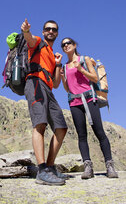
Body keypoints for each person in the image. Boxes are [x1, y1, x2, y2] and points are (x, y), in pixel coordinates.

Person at [59, 37, 118, 179]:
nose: (65, 46)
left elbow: (94, 78)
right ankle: (87, 167)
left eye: (68, 43)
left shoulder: (83, 59)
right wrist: (62, 77)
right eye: (63, 45)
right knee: (81, 135)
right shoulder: (65, 66)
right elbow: (68, 89)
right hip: (74, 102)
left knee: (99, 132)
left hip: (90, 99)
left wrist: (81, 70)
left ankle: (109, 166)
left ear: (74, 45)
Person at [21, 18, 69, 186]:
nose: (51, 31)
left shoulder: (51, 52)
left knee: (61, 127)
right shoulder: (39, 42)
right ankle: (42, 170)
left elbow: (56, 84)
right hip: (34, 83)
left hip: (47, 89)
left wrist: (57, 64)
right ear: (43, 31)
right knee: (40, 124)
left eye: (54, 30)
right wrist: (26, 31)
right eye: (48, 29)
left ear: (57, 33)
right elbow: (30, 39)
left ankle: (50, 166)